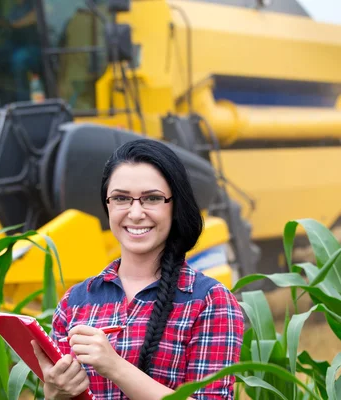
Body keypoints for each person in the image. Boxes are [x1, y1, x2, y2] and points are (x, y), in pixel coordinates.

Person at [31, 139, 245, 399]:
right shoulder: (74, 303)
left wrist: (116, 367)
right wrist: (55, 393)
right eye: (121, 198)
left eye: (152, 198)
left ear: (175, 206)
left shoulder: (209, 301)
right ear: (107, 205)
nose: (135, 213)